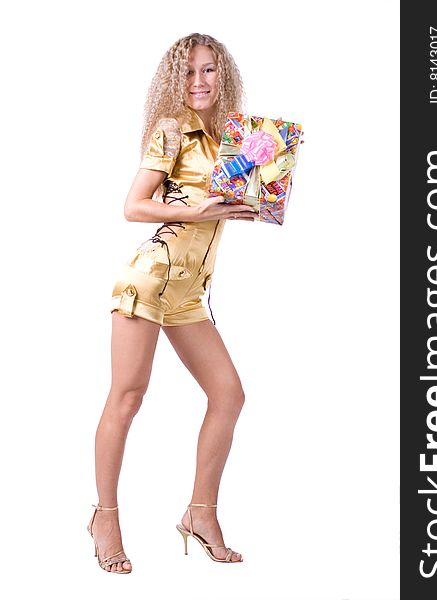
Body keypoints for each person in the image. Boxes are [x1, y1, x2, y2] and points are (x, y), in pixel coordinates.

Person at [86, 33, 256, 573]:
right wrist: (203, 210)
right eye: (188, 72)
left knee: (227, 394)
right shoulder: (171, 129)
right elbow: (134, 206)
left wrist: (249, 205)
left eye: (209, 71)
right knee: (128, 397)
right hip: (151, 277)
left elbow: (217, 208)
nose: (200, 82)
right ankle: (105, 517)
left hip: (189, 290)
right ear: (174, 80)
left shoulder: (234, 138)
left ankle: (200, 512)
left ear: (223, 75)